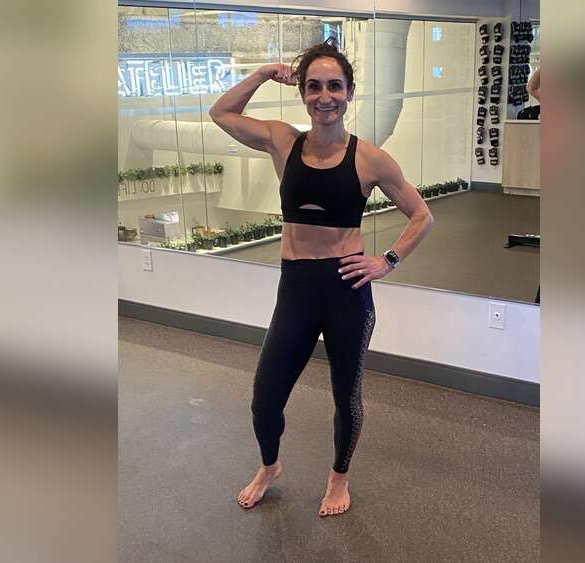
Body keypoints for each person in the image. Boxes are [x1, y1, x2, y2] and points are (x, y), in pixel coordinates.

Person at [209, 38, 434, 517]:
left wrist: (387, 260)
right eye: (314, 87)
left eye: (334, 86)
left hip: (346, 292)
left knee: (345, 396)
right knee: (265, 396)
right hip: (296, 289)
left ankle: (339, 476)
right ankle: (270, 465)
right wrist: (264, 72)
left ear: (349, 92)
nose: (324, 96)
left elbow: (422, 216)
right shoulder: (282, 141)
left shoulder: (370, 159)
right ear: (303, 93)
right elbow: (222, 113)